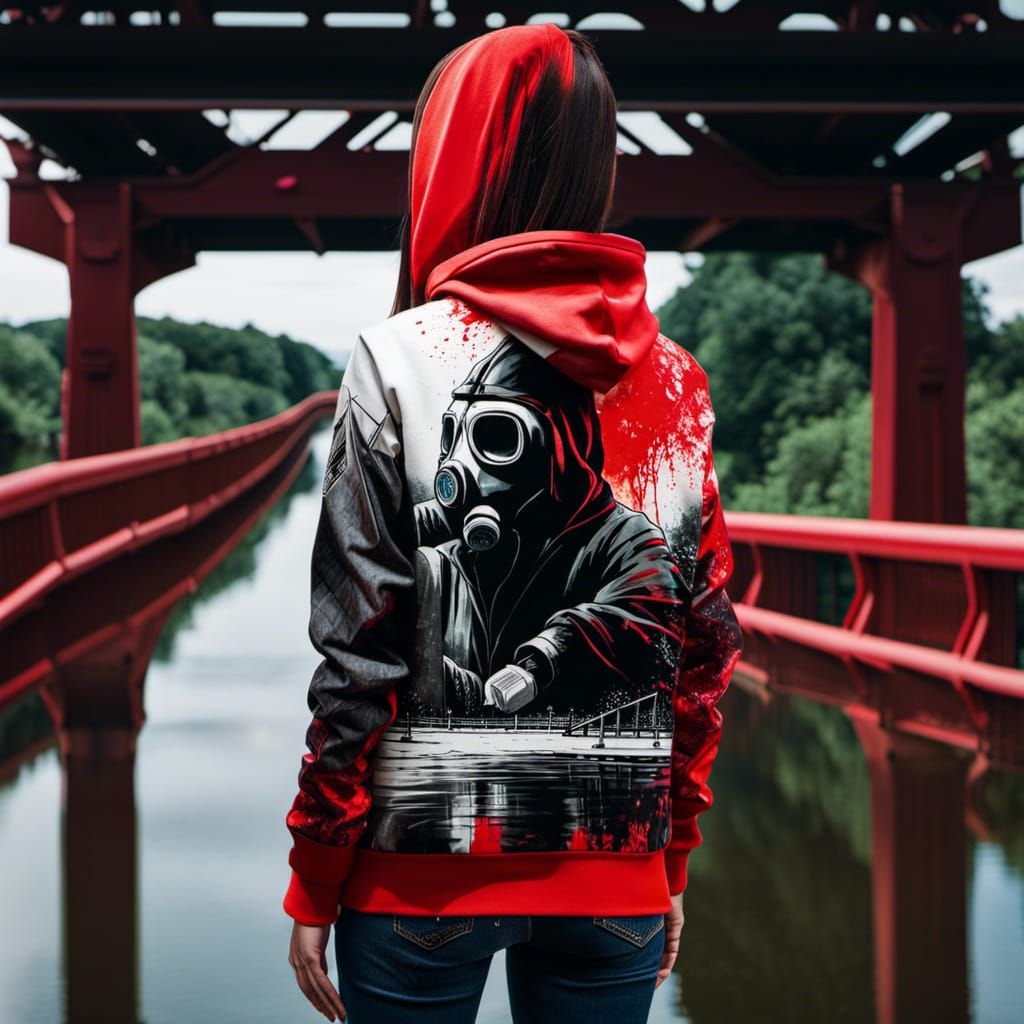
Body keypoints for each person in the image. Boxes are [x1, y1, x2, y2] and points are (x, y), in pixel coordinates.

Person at [282, 22, 744, 1024]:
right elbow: (702, 646)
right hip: (613, 878)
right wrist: (668, 854)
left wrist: (316, 872)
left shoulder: (394, 356)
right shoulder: (673, 380)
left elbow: (357, 652)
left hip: (415, 881)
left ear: (452, 156)